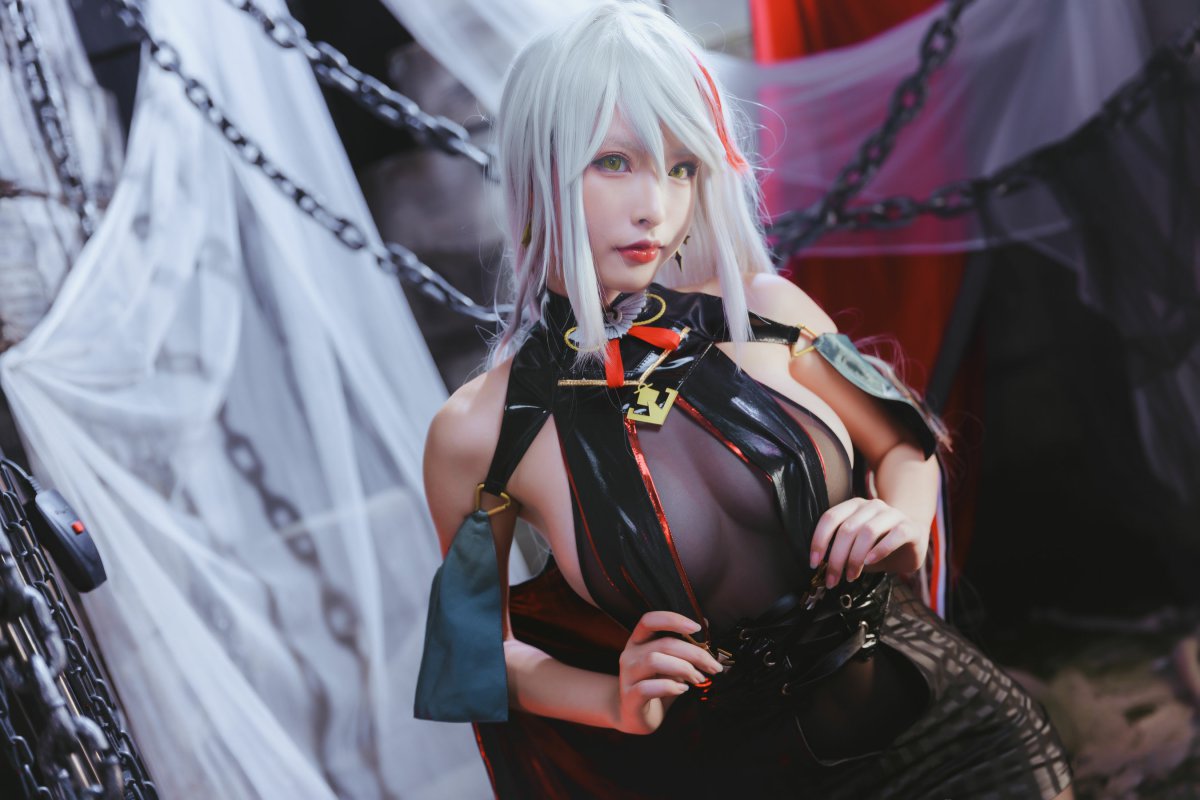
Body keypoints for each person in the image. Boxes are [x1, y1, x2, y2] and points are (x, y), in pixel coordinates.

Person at [415, 3, 1074, 797]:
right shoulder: (477, 434)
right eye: (614, 162)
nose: (656, 206)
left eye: (682, 166)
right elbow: (472, 653)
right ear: (536, 171)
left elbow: (904, 442)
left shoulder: (767, 313)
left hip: (948, 727)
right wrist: (610, 700)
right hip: (736, 775)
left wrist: (899, 520)